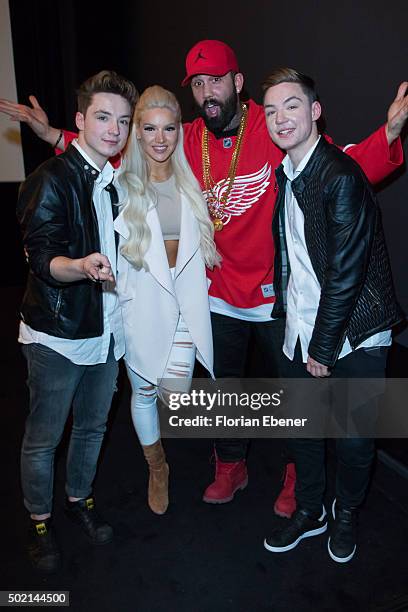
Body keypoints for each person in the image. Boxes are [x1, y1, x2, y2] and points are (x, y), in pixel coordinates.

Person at [2, 41, 407, 511]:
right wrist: (53, 133)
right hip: (218, 296)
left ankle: (299, 475)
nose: (208, 91)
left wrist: (389, 133)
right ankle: (230, 463)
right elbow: (116, 154)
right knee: (225, 391)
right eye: (198, 83)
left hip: (276, 296)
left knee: (299, 396)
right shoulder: (186, 137)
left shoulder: (273, 126)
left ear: (238, 82)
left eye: (216, 80)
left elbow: (340, 169)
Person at [262, 68, 403, 562]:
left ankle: (345, 515)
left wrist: (323, 349)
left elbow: (345, 274)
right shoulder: (287, 173)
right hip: (304, 325)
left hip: (358, 331)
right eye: (271, 110)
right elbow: (298, 259)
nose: (281, 118)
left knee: (354, 440)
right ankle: (311, 511)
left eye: (292, 106)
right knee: (300, 429)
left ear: (315, 111)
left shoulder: (339, 175)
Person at [16, 70, 137, 573]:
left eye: (123, 121)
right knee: (45, 437)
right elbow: (43, 260)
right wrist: (80, 267)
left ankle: (79, 499)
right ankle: (39, 522)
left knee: (91, 428)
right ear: (81, 121)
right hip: (59, 335)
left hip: (108, 331)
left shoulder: (113, 178)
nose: (114, 129)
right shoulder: (49, 179)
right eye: (104, 118)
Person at [115, 85, 219, 515]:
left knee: (173, 393)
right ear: (137, 133)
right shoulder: (119, 186)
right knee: (142, 392)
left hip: (186, 304)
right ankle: (156, 466)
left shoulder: (192, 181)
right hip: (141, 306)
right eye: (150, 128)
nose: (160, 138)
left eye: (169, 128)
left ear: (180, 131)